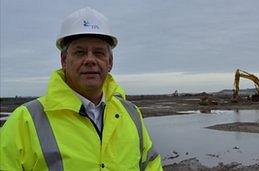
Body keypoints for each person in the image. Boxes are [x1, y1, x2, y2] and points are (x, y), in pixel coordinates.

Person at [0, 7, 163, 171]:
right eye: (80, 52)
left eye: (98, 52)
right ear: (64, 60)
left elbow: (151, 165)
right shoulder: (25, 121)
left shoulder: (132, 115)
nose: (90, 60)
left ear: (110, 62)